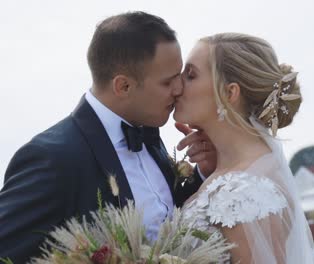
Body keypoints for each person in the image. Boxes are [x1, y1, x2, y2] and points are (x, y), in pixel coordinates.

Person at [0, 11, 215, 263]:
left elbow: (163, 221)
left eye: (179, 76)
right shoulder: (52, 158)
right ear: (123, 86)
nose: (179, 89)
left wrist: (202, 172)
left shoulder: (149, 134)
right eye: (167, 82)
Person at [174, 33, 314, 263]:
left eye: (190, 75)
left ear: (229, 93)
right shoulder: (236, 174)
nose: (176, 85)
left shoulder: (243, 192)